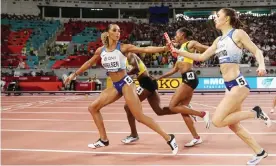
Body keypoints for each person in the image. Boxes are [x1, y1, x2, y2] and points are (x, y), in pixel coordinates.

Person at [170, 8, 271, 165]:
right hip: (229, 86)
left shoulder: (238, 34)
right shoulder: (218, 41)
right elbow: (201, 57)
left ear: (227, 19)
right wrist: (179, 52)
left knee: (217, 121)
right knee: (233, 126)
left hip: (238, 84)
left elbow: (256, 50)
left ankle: (254, 113)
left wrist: (262, 65)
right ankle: (260, 152)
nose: (215, 18)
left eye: (218, 16)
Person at [64, 24, 178, 155]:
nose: (118, 33)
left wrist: (164, 48)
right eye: (114, 30)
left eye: (119, 31)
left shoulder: (123, 47)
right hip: (115, 85)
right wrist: (74, 74)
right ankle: (103, 139)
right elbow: (89, 63)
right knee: (93, 108)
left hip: (126, 83)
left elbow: (145, 49)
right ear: (108, 33)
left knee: (139, 116)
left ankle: (169, 138)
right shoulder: (101, 51)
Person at [121, 52, 200, 145]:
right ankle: (185, 109)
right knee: (159, 111)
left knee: (127, 107)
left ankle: (134, 135)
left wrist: (123, 74)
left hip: (146, 83)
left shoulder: (130, 55)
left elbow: (136, 69)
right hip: (147, 83)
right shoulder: (123, 60)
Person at [156, 27, 210, 147]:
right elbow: (174, 70)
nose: (175, 36)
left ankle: (202, 114)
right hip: (186, 78)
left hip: (189, 78)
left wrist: (216, 48)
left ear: (183, 34)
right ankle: (196, 137)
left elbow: (203, 47)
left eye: (177, 34)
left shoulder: (189, 44)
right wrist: (159, 78)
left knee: (172, 106)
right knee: (183, 111)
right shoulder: (179, 51)